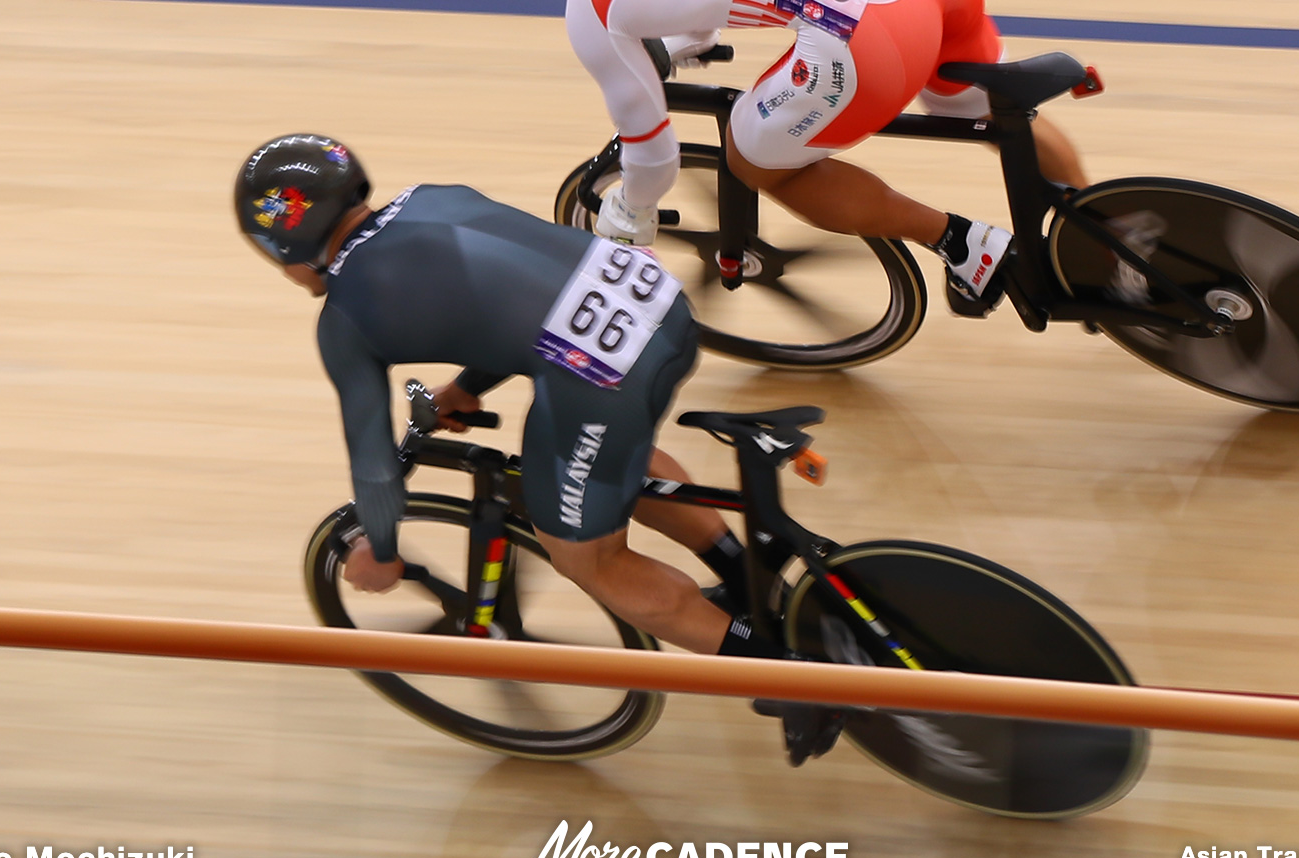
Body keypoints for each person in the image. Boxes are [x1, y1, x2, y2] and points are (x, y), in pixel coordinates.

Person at [234, 134, 844, 762]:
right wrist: (467, 386)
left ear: (289, 245)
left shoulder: (344, 321)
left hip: (603, 376)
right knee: (596, 462)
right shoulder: (430, 197)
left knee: (588, 558)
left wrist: (384, 553)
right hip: (663, 309)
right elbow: (519, 297)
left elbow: (372, 464)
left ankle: (785, 676)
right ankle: (744, 577)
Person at [435, 0, 1090, 317]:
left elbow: (653, 154)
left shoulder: (593, 6)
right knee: (982, 113)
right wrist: (689, 37)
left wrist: (628, 215)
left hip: (881, 27)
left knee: (754, 160)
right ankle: (1108, 245)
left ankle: (963, 243)